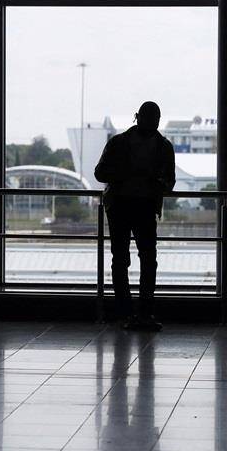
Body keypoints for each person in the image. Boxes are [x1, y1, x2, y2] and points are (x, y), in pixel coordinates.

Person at [94, 101, 176, 331]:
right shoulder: (163, 147)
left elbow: (101, 173)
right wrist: (154, 182)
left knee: (122, 260)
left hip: (120, 205)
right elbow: (170, 182)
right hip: (144, 206)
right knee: (146, 260)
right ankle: (144, 312)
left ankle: (127, 313)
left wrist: (124, 176)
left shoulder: (119, 143)